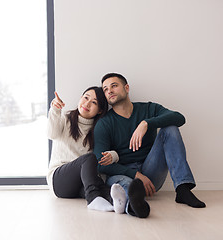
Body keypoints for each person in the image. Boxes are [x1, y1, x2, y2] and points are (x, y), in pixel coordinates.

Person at [93, 73, 206, 218]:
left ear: (126, 88)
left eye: (114, 86)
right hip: (122, 173)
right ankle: (134, 206)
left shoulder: (148, 109)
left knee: (170, 128)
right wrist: (136, 175)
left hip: (150, 172)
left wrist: (146, 123)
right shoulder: (104, 123)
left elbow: (179, 118)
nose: (109, 91)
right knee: (126, 184)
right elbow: (100, 163)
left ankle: (183, 189)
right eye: (105, 89)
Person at [47, 86, 126, 213]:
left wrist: (113, 155)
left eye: (94, 102)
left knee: (105, 189)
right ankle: (93, 199)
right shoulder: (65, 118)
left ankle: (129, 206)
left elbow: (114, 151)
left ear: (100, 110)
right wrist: (55, 110)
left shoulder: (100, 129)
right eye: (86, 98)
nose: (87, 104)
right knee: (89, 159)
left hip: (82, 183)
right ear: (80, 98)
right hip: (59, 180)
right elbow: (52, 134)